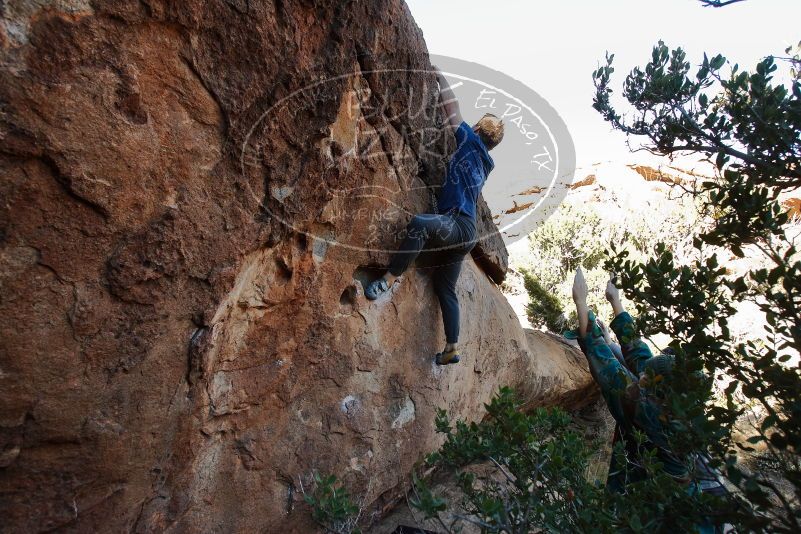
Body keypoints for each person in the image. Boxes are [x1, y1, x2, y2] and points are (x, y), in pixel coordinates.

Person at [364, 65, 505, 365]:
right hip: (465, 235)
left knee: (420, 224)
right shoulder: (485, 162)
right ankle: (452, 347)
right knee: (445, 288)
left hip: (457, 225)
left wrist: (439, 76)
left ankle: (388, 279)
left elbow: (451, 109)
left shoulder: (470, 141)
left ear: (478, 130)